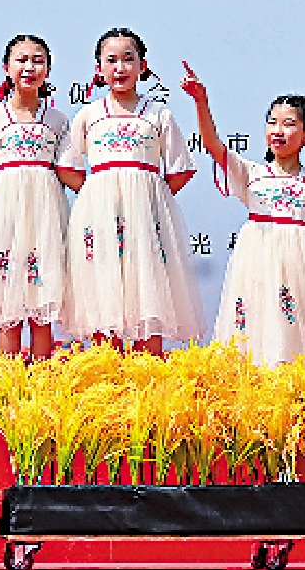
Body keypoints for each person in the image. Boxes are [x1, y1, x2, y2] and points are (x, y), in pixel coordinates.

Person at [182, 68, 305, 365]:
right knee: (256, 330)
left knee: (296, 336)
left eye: (289, 124)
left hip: (301, 269)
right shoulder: (251, 173)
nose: (278, 131)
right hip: (256, 265)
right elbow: (213, 146)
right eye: (272, 122)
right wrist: (201, 102)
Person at [57, 28, 200, 354]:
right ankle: (106, 371)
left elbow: (181, 167)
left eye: (127, 59)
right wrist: (95, 194)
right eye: (111, 60)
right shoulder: (88, 115)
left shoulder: (159, 114)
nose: (119, 68)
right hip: (100, 218)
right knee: (103, 287)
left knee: (148, 287)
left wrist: (150, 198)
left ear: (142, 65)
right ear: (99, 68)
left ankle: (147, 372)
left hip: (146, 218)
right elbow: (67, 166)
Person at [0, 35, 73, 360]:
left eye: (38, 61)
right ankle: (9, 382)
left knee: (42, 307)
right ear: (6, 67)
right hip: (7, 217)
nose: (29, 67)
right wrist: (7, 209)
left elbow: (67, 169)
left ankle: (42, 381)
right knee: (8, 308)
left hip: (46, 217)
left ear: (48, 71)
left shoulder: (58, 121)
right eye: (22, 60)